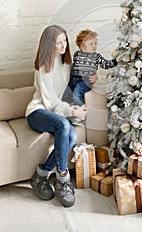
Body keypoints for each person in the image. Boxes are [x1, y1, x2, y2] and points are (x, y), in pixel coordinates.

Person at [25, 25, 88, 208]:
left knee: (72, 135)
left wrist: (92, 78)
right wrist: (71, 112)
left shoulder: (66, 64)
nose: (63, 46)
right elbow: (50, 101)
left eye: (64, 41)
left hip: (56, 111)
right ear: (48, 45)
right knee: (64, 126)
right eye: (58, 42)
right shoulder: (43, 68)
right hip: (38, 112)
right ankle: (62, 178)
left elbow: (71, 87)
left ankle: (42, 174)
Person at [65, 28, 118, 107]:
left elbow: (105, 64)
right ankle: (68, 111)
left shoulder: (96, 56)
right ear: (82, 46)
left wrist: (116, 61)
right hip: (73, 80)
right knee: (64, 95)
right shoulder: (76, 54)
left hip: (85, 81)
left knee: (76, 96)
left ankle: (84, 112)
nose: (94, 46)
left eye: (95, 43)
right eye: (91, 44)